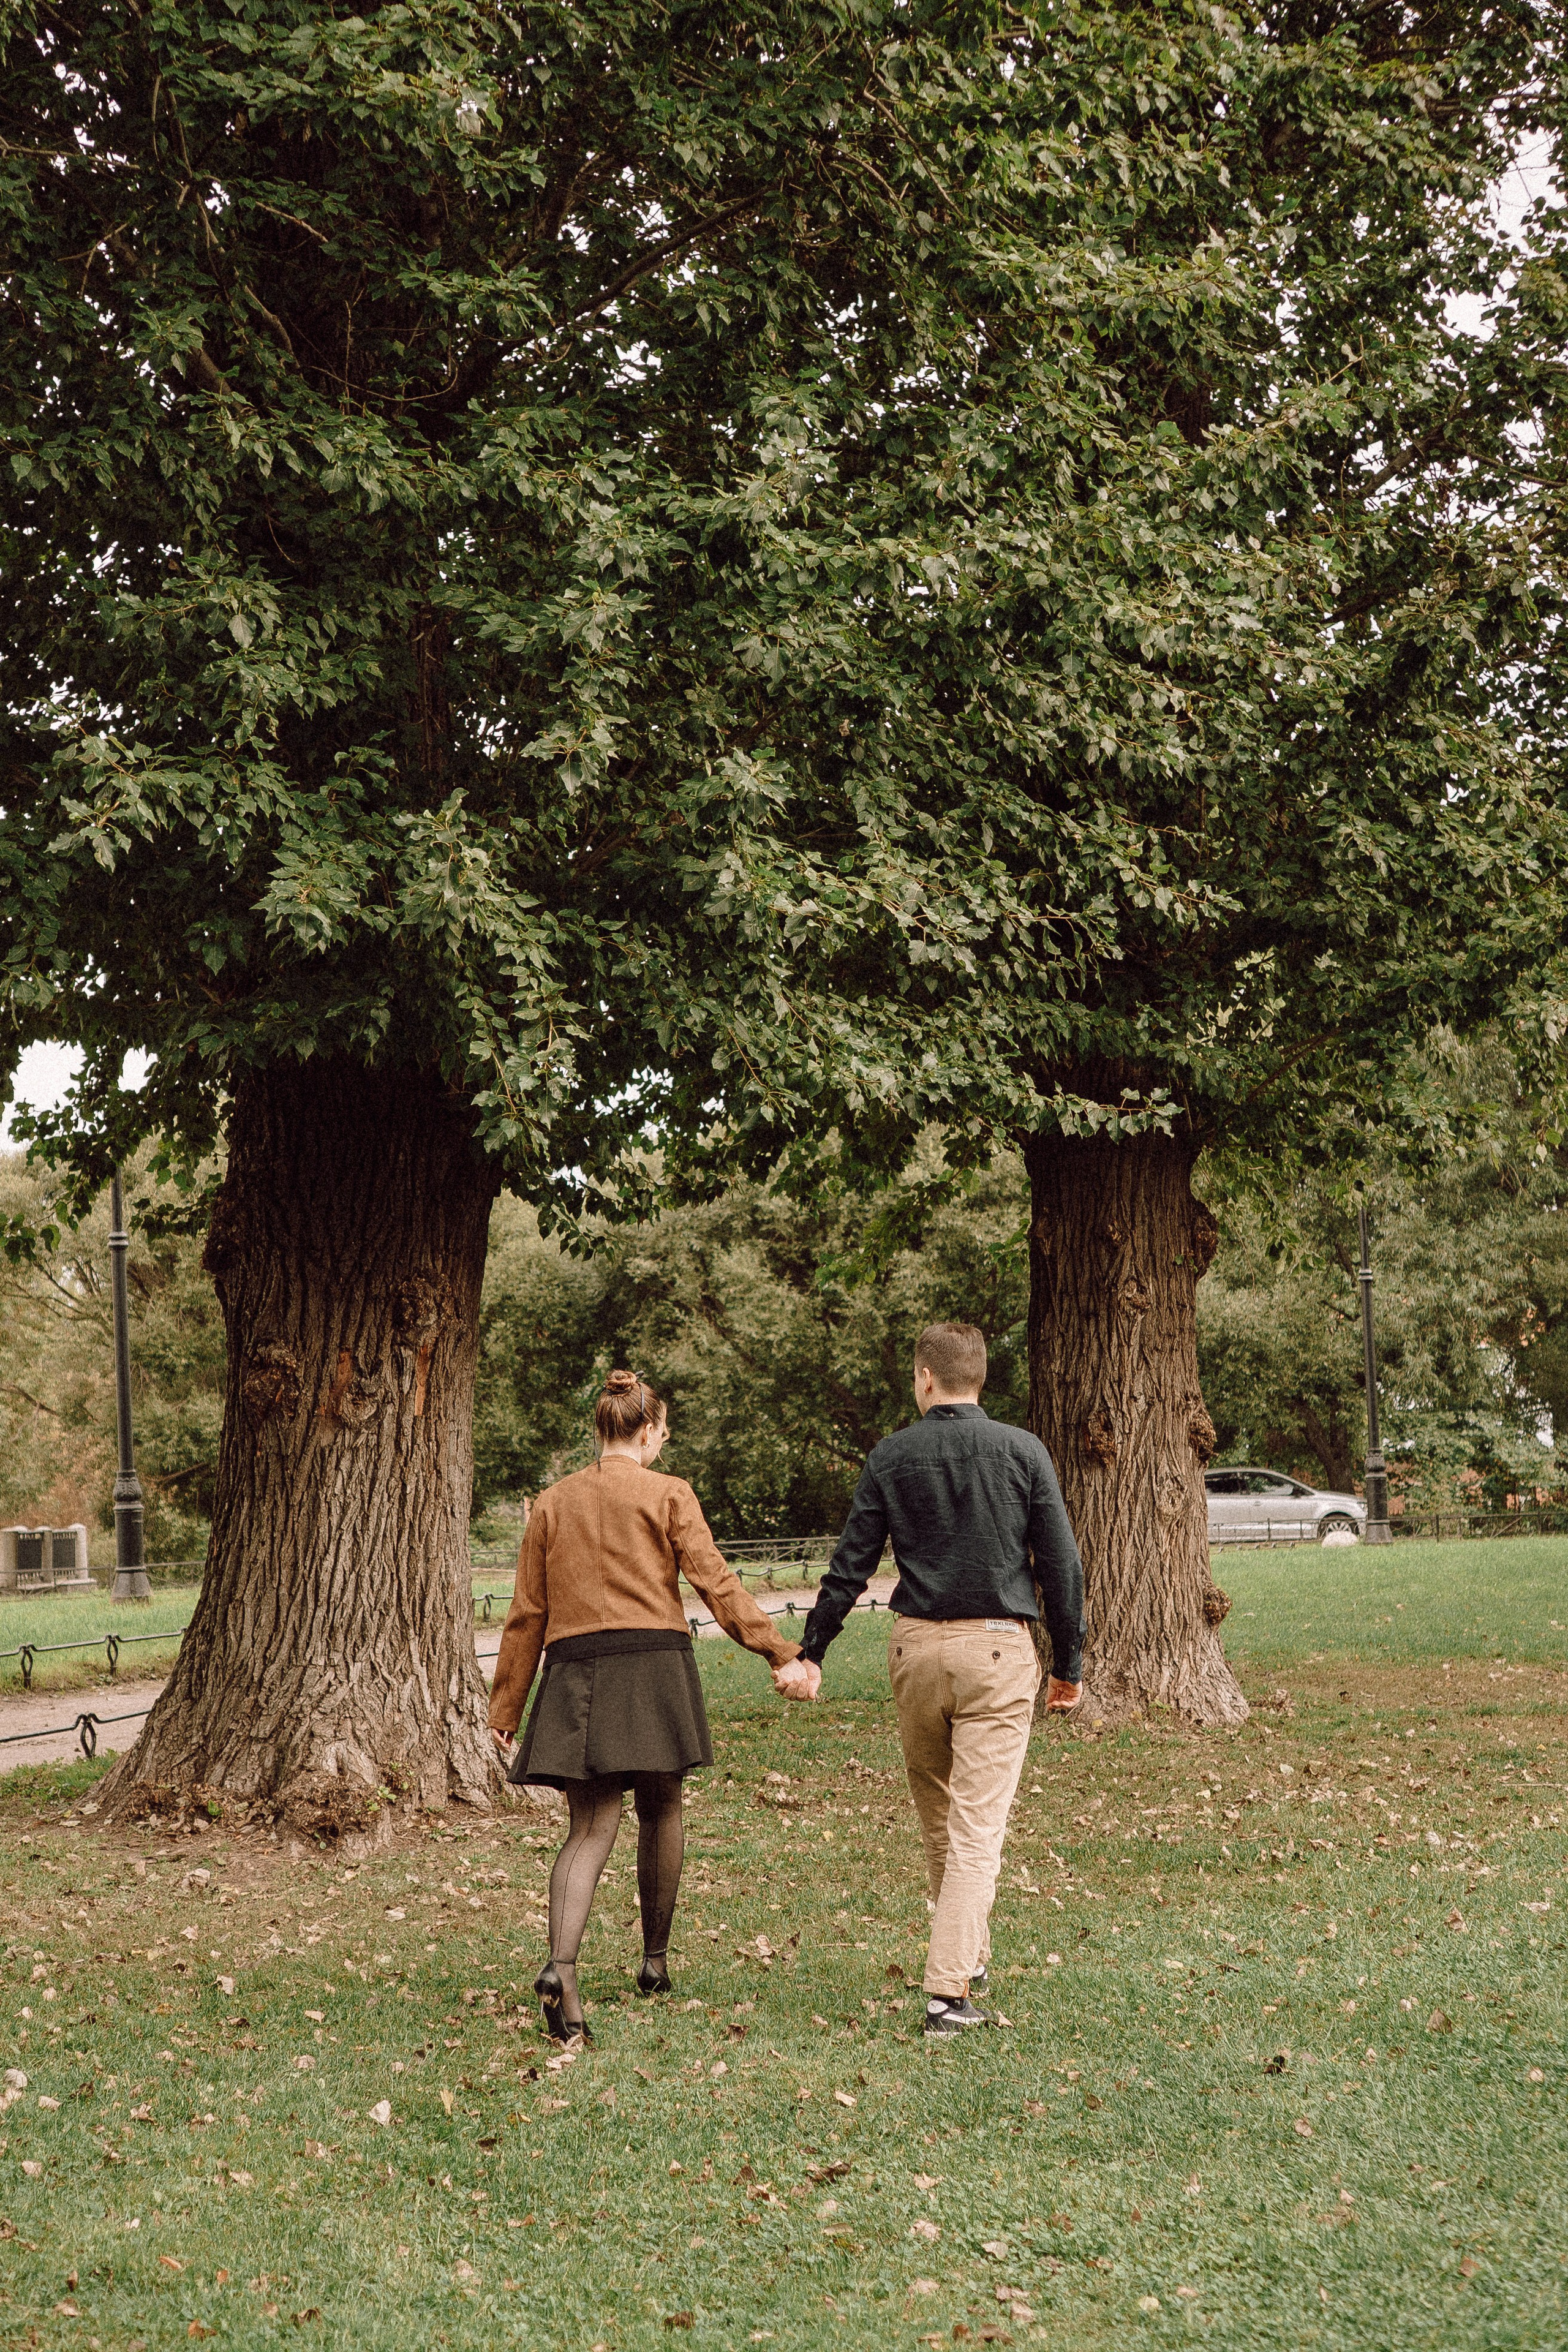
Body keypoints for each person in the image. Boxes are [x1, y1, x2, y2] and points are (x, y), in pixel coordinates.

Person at [775, 1321, 1085, 2036]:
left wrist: (812, 1652)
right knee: (976, 1827)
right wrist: (1067, 1667)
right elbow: (1062, 1566)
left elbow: (848, 1566)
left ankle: (967, 1957)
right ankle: (948, 1994)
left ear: (923, 1378)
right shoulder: (1023, 1450)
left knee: (941, 1819)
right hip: (998, 1652)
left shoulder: (892, 1456)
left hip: (915, 1653)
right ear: (980, 1378)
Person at [489, 1370, 803, 2043]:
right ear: (648, 1431)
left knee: (590, 1824)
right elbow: (715, 1582)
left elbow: (527, 1614)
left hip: (577, 1672)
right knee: (662, 1808)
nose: (664, 1441)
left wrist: (505, 1709)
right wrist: (779, 1650)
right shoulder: (669, 1493)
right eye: (663, 1431)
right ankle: (654, 1963)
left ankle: (561, 1968)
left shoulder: (551, 1502)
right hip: (655, 1665)